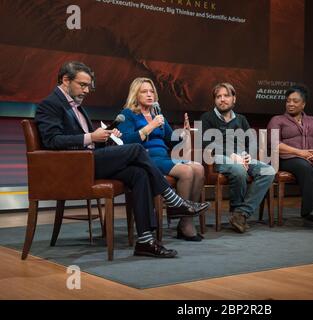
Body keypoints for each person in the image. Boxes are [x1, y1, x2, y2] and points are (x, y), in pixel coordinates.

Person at [35, 61, 210, 258]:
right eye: (82, 85)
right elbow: (52, 141)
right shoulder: (49, 105)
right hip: (76, 166)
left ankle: (145, 240)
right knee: (135, 149)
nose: (86, 90)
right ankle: (172, 198)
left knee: (139, 173)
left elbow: (87, 141)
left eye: (88, 86)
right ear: (66, 80)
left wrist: (105, 136)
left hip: (89, 159)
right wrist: (91, 137)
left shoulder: (76, 106)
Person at [118, 77, 205, 241]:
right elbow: (126, 141)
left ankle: (185, 221)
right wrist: (150, 126)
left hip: (163, 156)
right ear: (135, 95)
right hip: (145, 157)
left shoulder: (158, 115)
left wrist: (183, 133)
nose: (149, 95)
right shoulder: (127, 115)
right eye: (144, 92)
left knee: (199, 168)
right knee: (186, 171)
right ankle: (181, 216)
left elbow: (169, 139)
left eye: (152, 92)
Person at [200, 82, 275, 233]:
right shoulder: (207, 118)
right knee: (239, 169)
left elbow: (251, 143)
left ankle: (241, 213)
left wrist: (247, 155)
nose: (222, 99)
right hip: (219, 159)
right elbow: (208, 144)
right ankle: (237, 211)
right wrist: (233, 156)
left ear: (234, 98)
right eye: (218, 96)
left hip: (242, 158)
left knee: (269, 171)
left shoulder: (241, 119)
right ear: (214, 100)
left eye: (226, 95)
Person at [267, 85, 313, 231]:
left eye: (295, 101)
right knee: (304, 167)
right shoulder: (277, 120)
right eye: (288, 101)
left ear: (303, 104)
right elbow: (273, 143)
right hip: (288, 158)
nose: (291, 104)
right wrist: (300, 152)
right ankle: (309, 212)